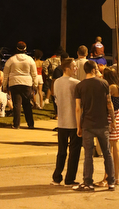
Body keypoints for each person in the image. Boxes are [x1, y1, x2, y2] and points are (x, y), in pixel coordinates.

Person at [73, 60, 116, 192]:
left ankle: (88, 182)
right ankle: (111, 182)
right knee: (107, 152)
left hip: (87, 124)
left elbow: (78, 108)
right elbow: (109, 104)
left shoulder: (80, 86)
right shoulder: (104, 84)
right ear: (93, 69)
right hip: (102, 123)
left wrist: (78, 126)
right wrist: (113, 120)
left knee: (88, 154)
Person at [51, 58, 82, 186]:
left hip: (62, 121)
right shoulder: (76, 83)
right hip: (74, 122)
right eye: (74, 66)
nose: (76, 68)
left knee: (61, 151)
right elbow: (79, 104)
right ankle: (70, 178)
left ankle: (57, 176)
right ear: (67, 68)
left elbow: (56, 99)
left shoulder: (57, 82)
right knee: (74, 152)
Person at [96, 66, 119, 187]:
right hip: (116, 116)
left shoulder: (111, 87)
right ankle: (115, 177)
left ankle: (107, 177)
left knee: (109, 150)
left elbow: (107, 102)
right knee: (114, 147)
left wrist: (98, 78)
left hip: (111, 118)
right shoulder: (116, 86)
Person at [2, 41, 37, 129]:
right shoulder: (30, 60)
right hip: (27, 82)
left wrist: (4, 85)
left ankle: (16, 124)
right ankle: (30, 124)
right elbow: (34, 73)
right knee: (27, 104)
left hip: (15, 83)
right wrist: (35, 84)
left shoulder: (11, 60)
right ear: (25, 49)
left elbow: (5, 74)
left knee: (17, 104)